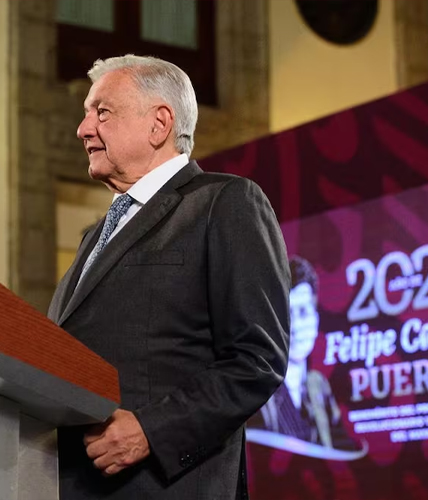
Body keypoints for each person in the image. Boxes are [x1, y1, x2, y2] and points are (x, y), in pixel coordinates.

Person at [47, 54, 290, 499]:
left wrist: (151, 431)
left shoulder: (225, 203)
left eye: (101, 112)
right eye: (86, 115)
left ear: (159, 123)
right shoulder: (93, 237)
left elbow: (257, 359)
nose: (83, 129)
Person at [250, 256, 354, 451]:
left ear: (316, 319)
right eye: (288, 315)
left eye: (304, 312)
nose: (296, 326)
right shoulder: (260, 393)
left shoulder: (319, 387)